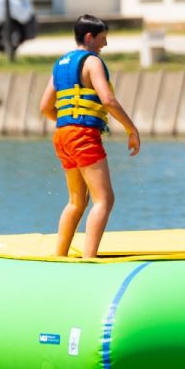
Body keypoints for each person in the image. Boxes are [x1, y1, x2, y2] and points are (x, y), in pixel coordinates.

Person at [39, 14, 141, 258]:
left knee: (76, 201)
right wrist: (131, 129)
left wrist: (68, 124)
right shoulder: (92, 62)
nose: (104, 45)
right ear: (89, 37)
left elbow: (45, 106)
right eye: (102, 39)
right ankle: (89, 259)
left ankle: (59, 255)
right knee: (104, 200)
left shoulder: (60, 64)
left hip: (63, 135)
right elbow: (108, 100)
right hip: (82, 135)